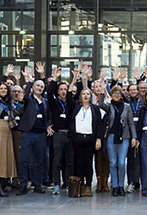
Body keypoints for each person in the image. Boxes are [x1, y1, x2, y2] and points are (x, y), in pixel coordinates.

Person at [16, 75, 52, 195]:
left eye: (42, 86)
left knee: (40, 161)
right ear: (33, 87)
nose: (40, 88)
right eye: (38, 86)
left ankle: (37, 184)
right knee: (24, 160)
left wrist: (48, 125)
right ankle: (23, 186)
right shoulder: (28, 99)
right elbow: (25, 94)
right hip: (28, 133)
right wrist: (29, 81)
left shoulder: (45, 101)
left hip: (41, 135)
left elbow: (49, 116)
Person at [102, 85, 137, 197]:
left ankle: (121, 185)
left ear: (121, 95)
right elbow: (100, 104)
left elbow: (131, 122)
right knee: (113, 162)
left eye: (118, 93)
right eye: (114, 93)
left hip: (124, 136)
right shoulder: (109, 106)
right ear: (111, 95)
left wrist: (134, 137)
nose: (116, 95)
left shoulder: (127, 106)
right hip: (111, 136)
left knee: (121, 163)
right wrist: (103, 92)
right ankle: (115, 186)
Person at [47, 66, 77, 195]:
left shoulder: (71, 103)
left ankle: (69, 183)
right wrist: (54, 78)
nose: (64, 91)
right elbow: (49, 93)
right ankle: (56, 185)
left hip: (69, 135)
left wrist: (74, 80)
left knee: (70, 162)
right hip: (58, 134)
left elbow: (70, 98)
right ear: (58, 91)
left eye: (65, 89)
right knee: (56, 162)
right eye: (61, 89)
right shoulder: (54, 103)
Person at [71, 87, 105, 197]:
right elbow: (69, 97)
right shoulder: (76, 107)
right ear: (80, 96)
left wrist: (98, 139)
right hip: (78, 138)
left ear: (91, 96)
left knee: (88, 163)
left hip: (90, 138)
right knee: (78, 163)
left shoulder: (95, 108)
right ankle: (79, 186)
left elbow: (100, 124)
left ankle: (88, 186)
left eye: (88, 94)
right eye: (83, 94)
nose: (85, 96)